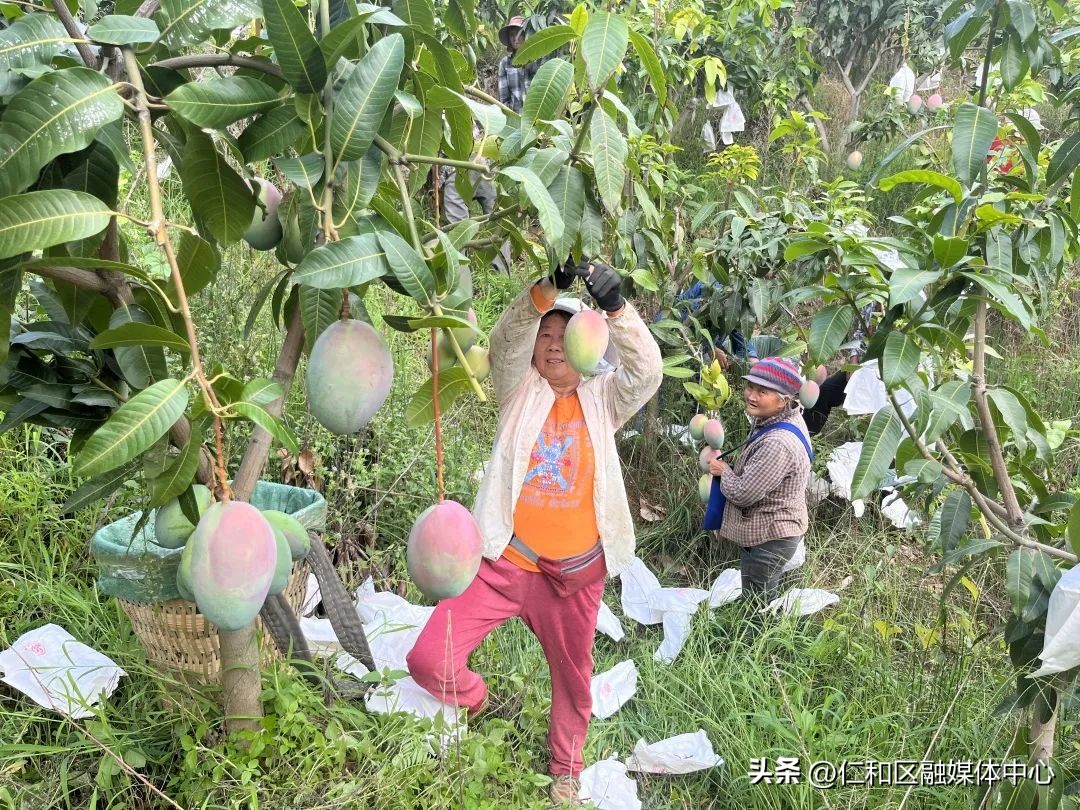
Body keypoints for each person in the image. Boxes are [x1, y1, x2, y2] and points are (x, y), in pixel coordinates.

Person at [407, 258, 663, 806]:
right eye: (546, 333)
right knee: (428, 658)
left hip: (574, 576)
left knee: (574, 683)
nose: (552, 343)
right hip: (505, 564)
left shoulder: (603, 400)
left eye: (565, 334)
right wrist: (547, 291)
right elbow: (506, 339)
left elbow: (646, 374)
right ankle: (481, 702)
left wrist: (616, 308)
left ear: (587, 350)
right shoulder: (517, 389)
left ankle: (566, 771)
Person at [703, 357, 812, 627]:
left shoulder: (779, 443)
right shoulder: (780, 420)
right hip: (773, 530)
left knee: (758, 603)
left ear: (783, 399)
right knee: (760, 592)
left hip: (771, 536)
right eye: (750, 387)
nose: (751, 395)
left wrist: (723, 471)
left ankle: (754, 650)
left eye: (762, 392)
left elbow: (742, 493)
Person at [497, 15, 541, 114]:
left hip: (536, 117)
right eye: (511, 35)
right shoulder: (505, 63)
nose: (515, 38)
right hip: (515, 117)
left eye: (519, 34)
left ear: (526, 35)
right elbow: (504, 99)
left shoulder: (537, 60)